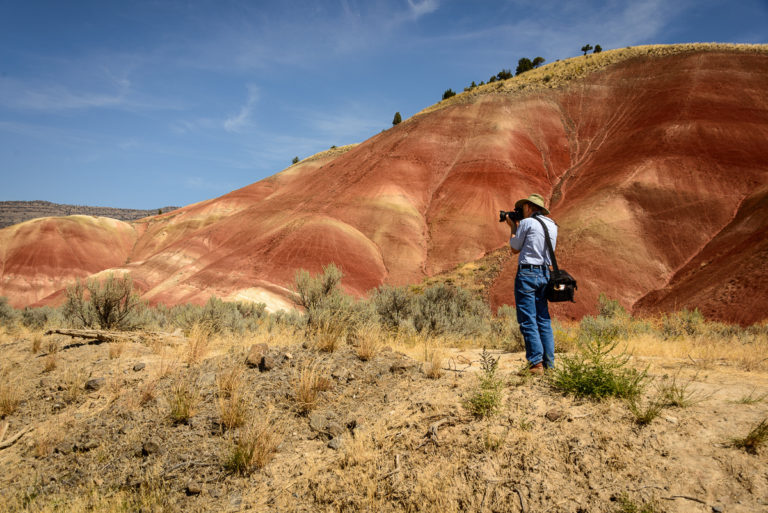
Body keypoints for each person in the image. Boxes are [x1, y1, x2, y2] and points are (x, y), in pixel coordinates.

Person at [505, 193, 558, 374]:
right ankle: (549, 365)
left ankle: (535, 363)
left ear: (529, 207)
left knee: (528, 319)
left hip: (528, 273)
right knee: (543, 319)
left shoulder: (527, 223)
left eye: (523, 208)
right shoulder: (552, 225)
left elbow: (514, 248)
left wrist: (513, 226)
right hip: (545, 273)